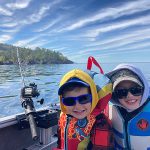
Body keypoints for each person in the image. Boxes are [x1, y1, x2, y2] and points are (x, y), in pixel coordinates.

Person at [55, 68, 114, 150]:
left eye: (84, 99)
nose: (78, 106)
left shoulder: (100, 122)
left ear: (93, 97)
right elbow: (60, 141)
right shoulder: (64, 115)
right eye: (69, 101)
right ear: (62, 102)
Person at [106, 64, 150, 150]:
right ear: (115, 95)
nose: (129, 95)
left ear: (144, 89)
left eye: (136, 90)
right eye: (121, 92)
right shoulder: (110, 112)